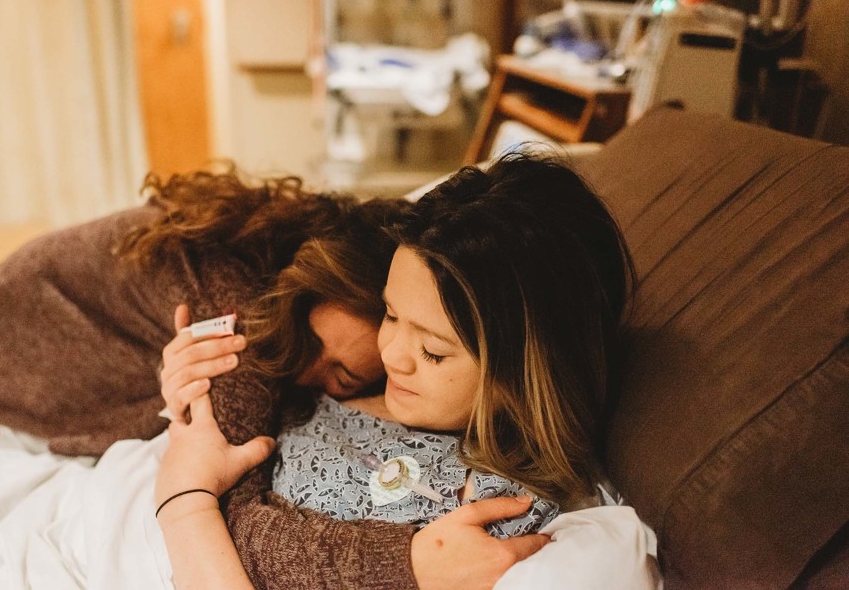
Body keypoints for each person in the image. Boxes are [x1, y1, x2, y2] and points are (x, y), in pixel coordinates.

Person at [156, 152, 641, 589]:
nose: (390, 355)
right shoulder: (338, 394)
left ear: (525, 381)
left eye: (432, 350)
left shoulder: (496, 508)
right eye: (390, 315)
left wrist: (189, 503)